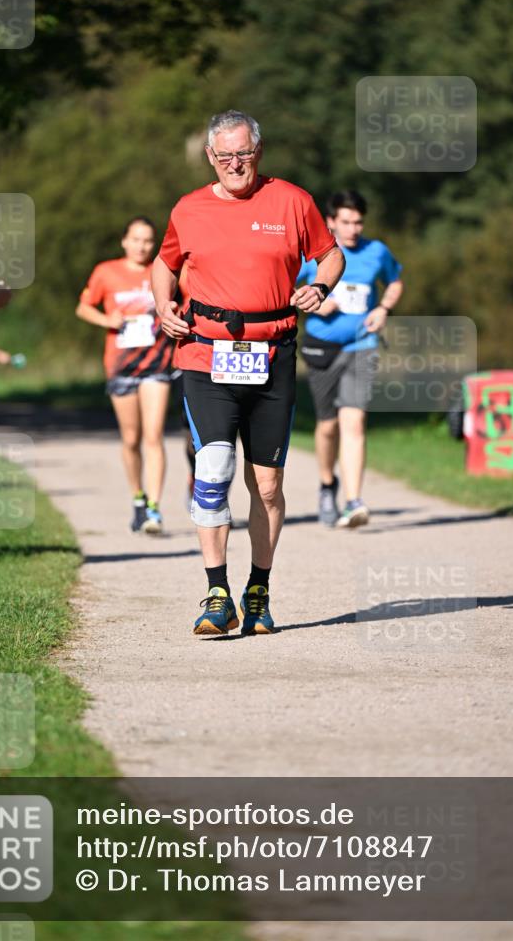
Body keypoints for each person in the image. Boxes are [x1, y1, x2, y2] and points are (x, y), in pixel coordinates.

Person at [152, 109, 344, 636]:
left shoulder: (292, 200)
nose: (235, 163)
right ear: (210, 158)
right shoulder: (188, 209)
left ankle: (257, 590)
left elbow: (330, 256)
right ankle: (217, 594)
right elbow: (164, 264)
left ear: (257, 153)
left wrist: (320, 287)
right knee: (212, 472)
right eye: (224, 155)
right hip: (205, 352)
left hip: (273, 352)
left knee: (267, 485)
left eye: (244, 153)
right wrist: (163, 305)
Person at [296, 190, 403, 528]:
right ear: (331, 222)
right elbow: (284, 286)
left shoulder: (377, 252)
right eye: (346, 222)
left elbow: (395, 281)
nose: (353, 229)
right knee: (327, 426)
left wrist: (383, 308)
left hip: (362, 345)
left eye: (358, 222)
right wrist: (314, 298)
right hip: (322, 348)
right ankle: (328, 484)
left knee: (353, 422)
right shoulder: (315, 254)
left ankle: (354, 501)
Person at [76, 217, 174, 534]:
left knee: (153, 436)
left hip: (157, 363)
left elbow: (181, 302)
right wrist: (108, 320)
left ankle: (156, 509)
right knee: (131, 439)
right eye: (136, 239)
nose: (142, 246)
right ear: (124, 241)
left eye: (148, 240)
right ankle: (138, 497)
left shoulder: (162, 270)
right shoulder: (107, 271)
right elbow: (83, 307)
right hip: (121, 366)